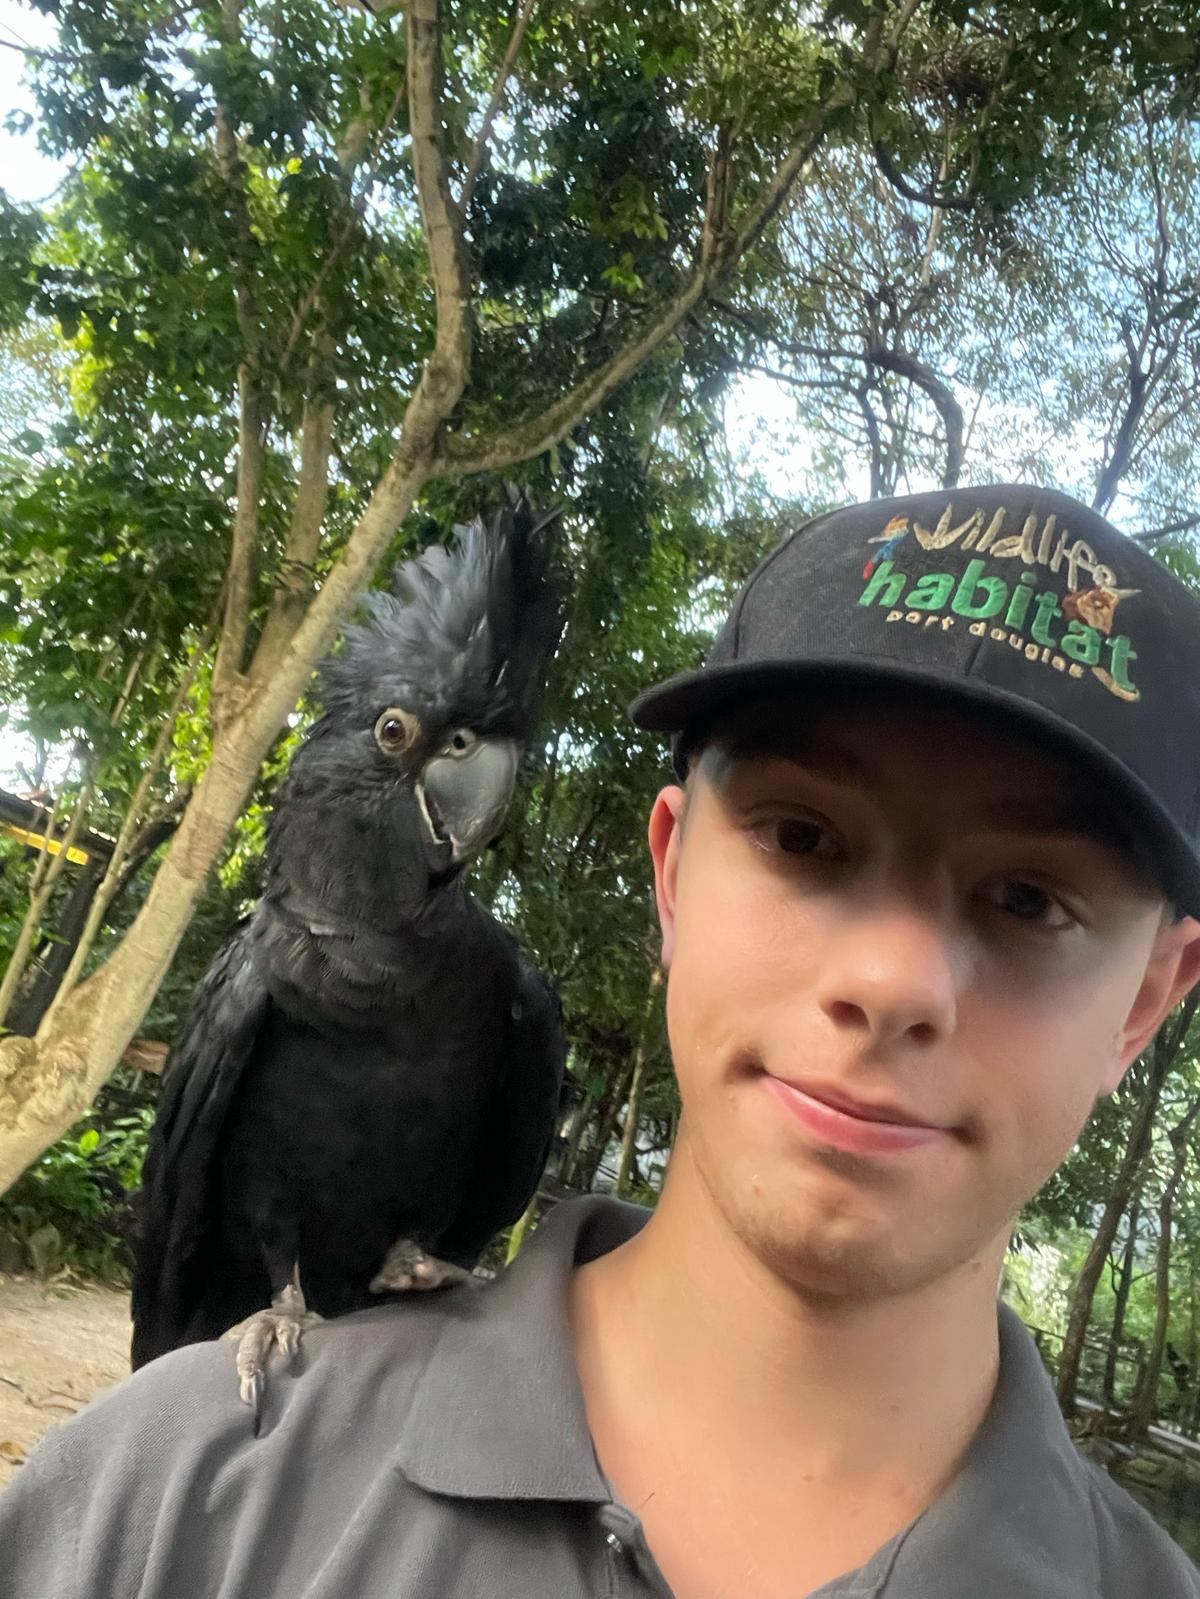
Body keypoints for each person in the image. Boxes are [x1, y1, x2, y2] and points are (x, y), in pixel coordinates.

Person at [2, 483, 1199, 1599]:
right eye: (802, 838)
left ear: (1148, 1002)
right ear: (671, 877)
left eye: (1030, 901)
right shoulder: (165, 1500)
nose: (891, 984)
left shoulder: (499, 1004)